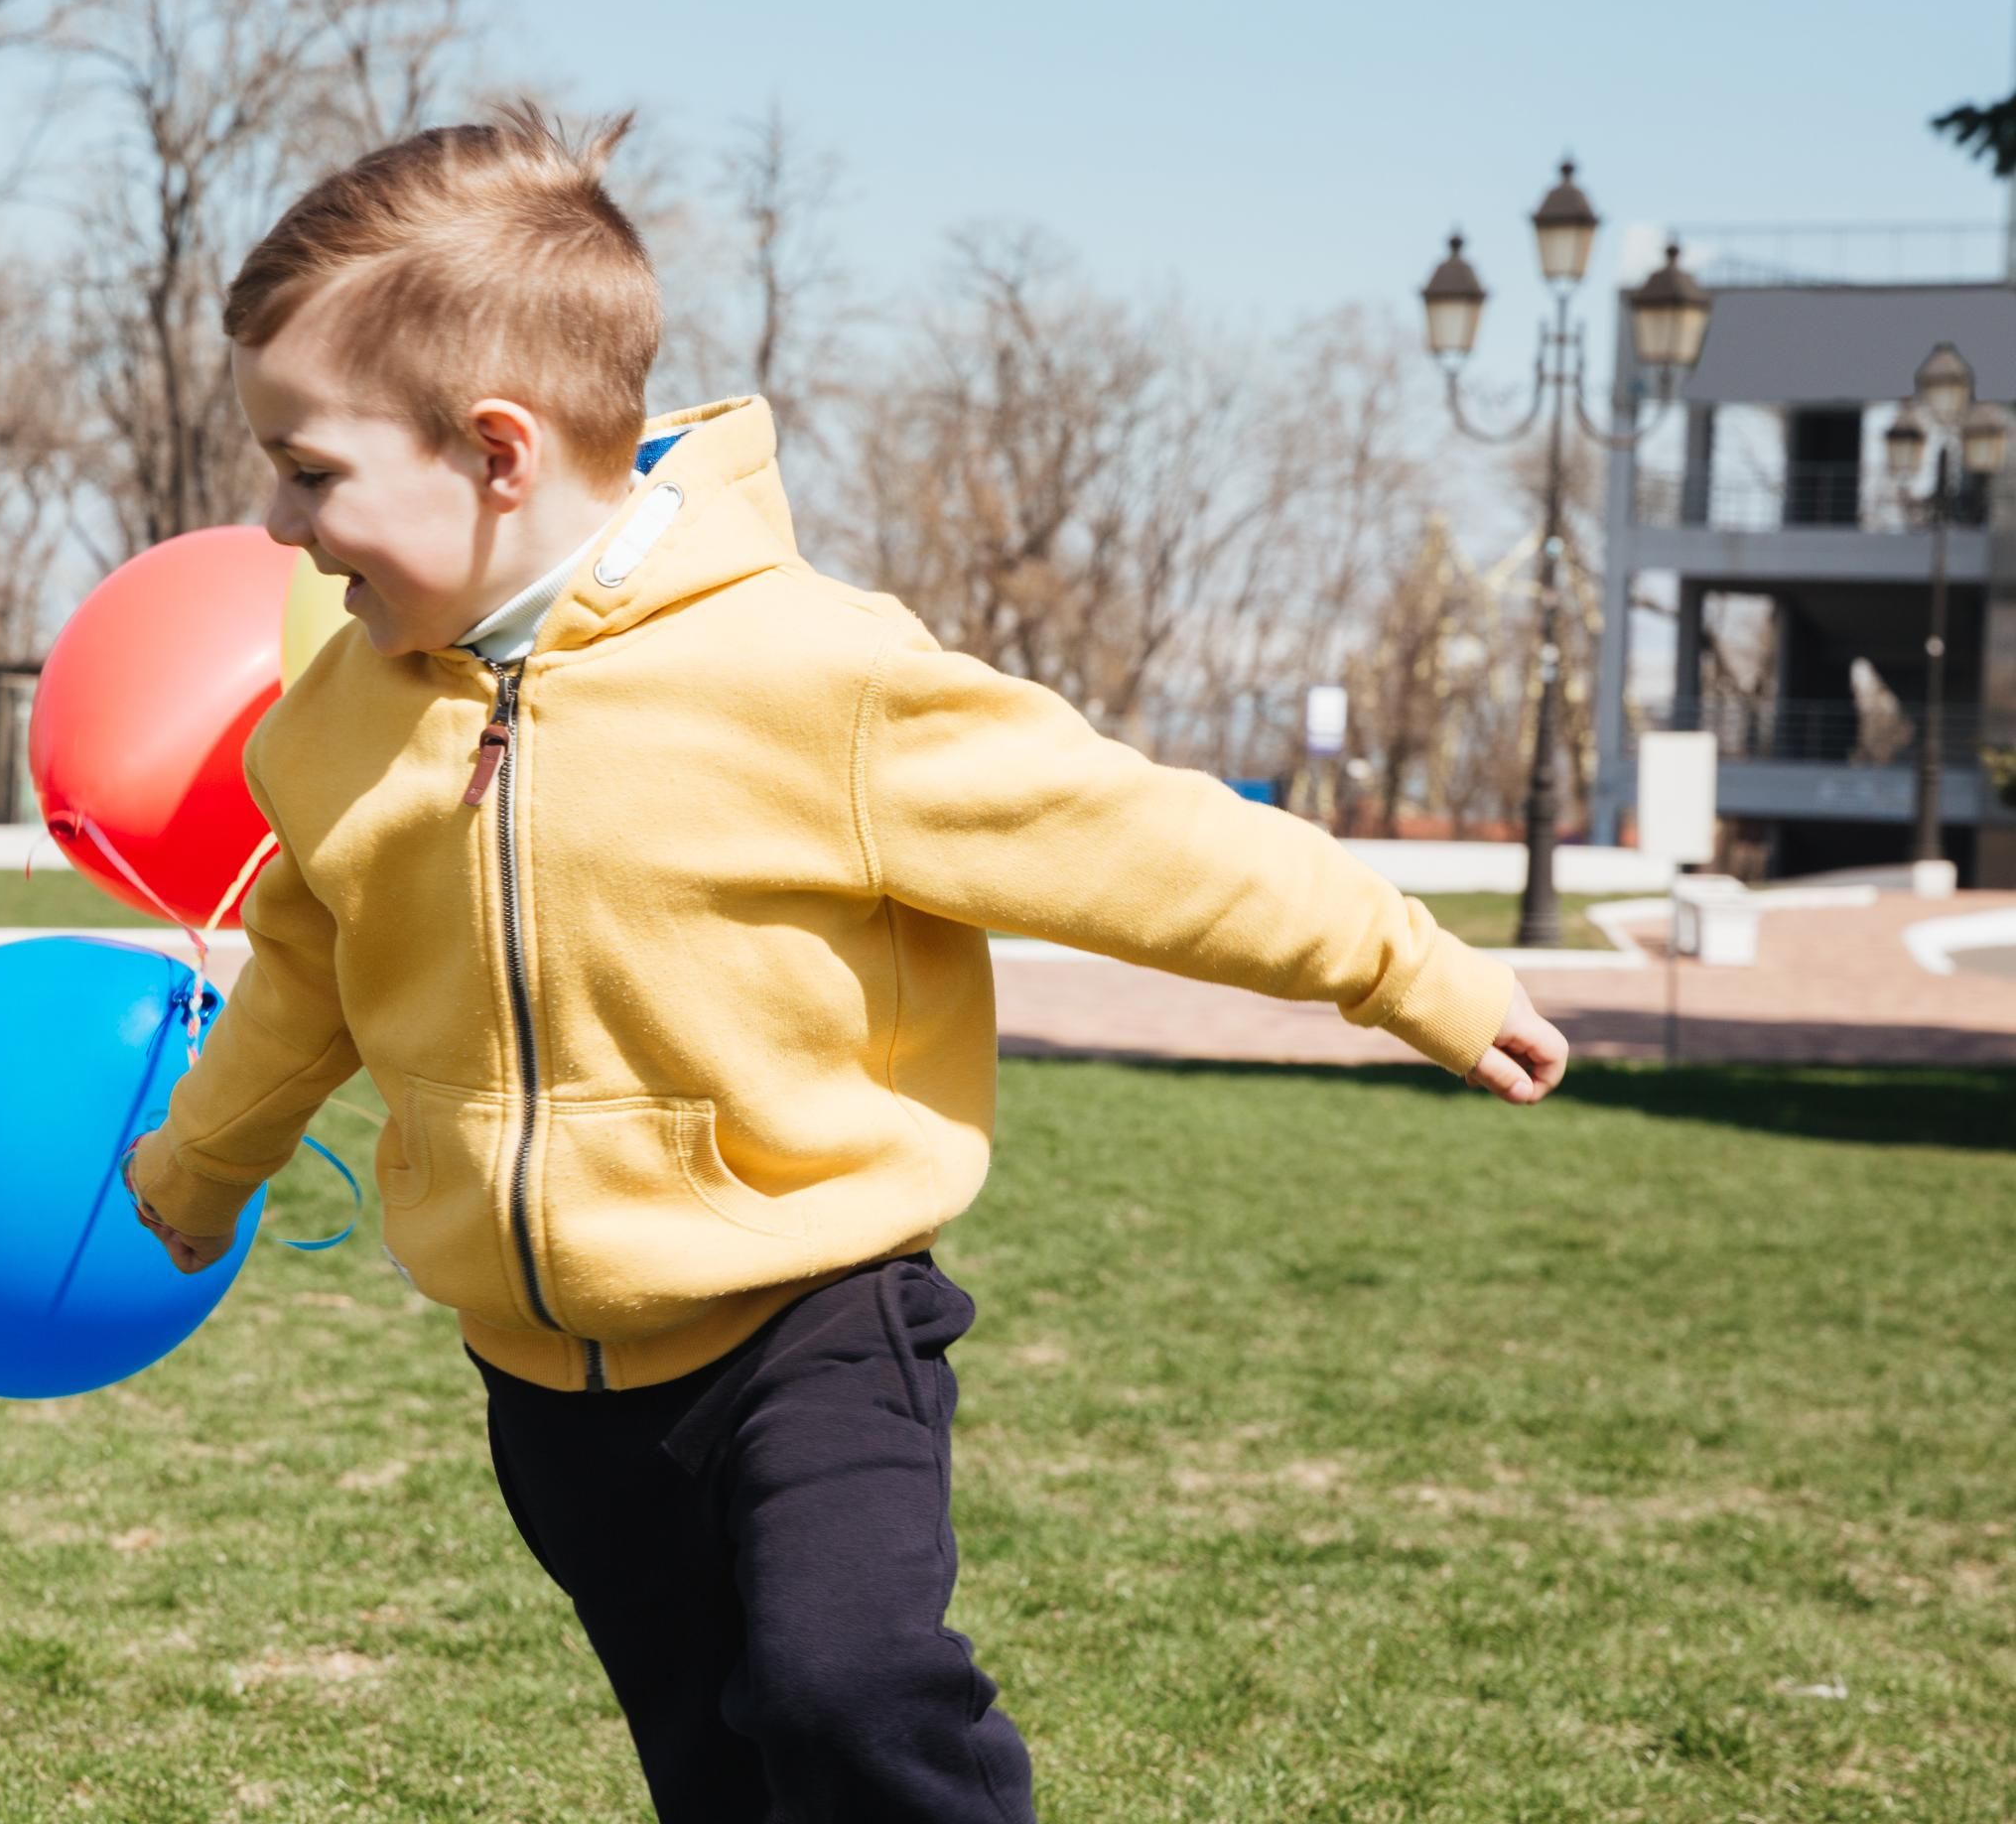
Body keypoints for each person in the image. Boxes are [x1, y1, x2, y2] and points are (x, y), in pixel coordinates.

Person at [119, 103, 1568, 1824]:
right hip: (546, 1387)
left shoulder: (812, 677)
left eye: (309, 471)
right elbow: (303, 983)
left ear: (498, 452)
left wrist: (1416, 971)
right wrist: (200, 1167)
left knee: (846, 1688)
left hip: (807, 1323)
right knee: (719, 1770)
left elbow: (1135, 839)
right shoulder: (335, 732)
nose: (278, 526)